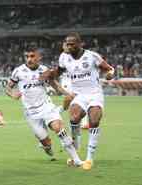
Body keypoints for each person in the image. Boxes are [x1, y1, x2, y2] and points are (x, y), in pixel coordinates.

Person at [40, 32, 114, 170]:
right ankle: (76, 148)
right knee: (74, 118)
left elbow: (110, 69)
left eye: (72, 44)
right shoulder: (64, 57)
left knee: (94, 120)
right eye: (67, 44)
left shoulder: (92, 56)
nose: (69, 46)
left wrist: (110, 74)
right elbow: (58, 72)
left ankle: (89, 158)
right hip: (78, 94)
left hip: (94, 93)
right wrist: (50, 74)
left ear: (80, 44)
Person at [5, 46, 83, 166]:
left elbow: (55, 85)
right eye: (27, 56)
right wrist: (12, 94)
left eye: (32, 56)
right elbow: (8, 88)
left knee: (58, 128)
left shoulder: (44, 70)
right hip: (31, 113)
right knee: (46, 142)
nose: (29, 59)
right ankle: (46, 146)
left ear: (39, 57)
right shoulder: (18, 71)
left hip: (46, 107)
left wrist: (68, 95)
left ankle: (76, 159)